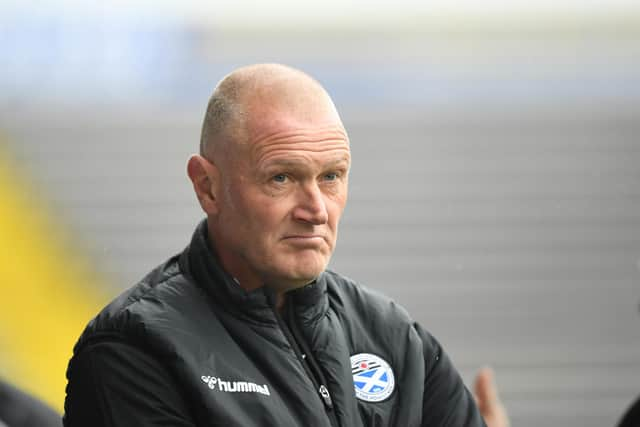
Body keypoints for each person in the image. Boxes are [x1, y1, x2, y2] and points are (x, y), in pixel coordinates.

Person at [63, 63, 487, 426]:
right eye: (281, 178)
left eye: (331, 177)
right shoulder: (135, 349)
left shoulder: (394, 338)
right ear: (207, 187)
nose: (315, 210)